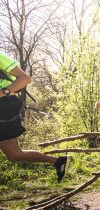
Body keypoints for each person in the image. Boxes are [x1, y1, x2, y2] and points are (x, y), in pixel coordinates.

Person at [0, 51, 71, 182]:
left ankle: (58, 161)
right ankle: (58, 161)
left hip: (5, 107)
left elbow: (25, 79)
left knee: (15, 154)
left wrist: (2, 92)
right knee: (13, 155)